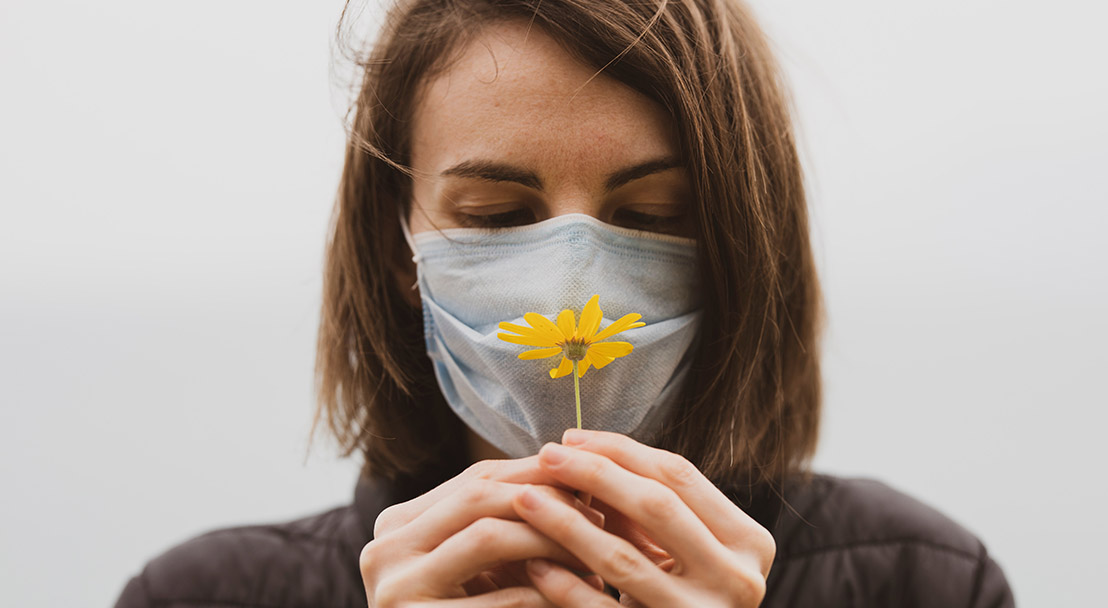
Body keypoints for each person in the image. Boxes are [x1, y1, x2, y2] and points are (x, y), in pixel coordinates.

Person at [114, 0, 1014, 606]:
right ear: (398, 250)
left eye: (652, 215)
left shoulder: (922, 582)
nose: (572, 281)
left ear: (739, 244)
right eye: (498, 216)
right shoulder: (199, 594)